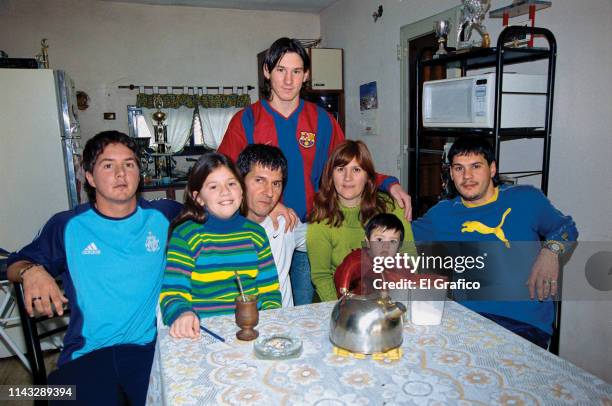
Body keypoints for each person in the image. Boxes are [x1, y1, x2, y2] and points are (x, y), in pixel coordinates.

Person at [218, 37, 412, 305]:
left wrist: (389, 183)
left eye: (296, 71)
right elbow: (225, 175)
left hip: (314, 224)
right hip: (271, 225)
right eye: (280, 70)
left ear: (306, 75)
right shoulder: (247, 119)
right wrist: (270, 205)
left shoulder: (322, 119)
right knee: (271, 298)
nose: (288, 80)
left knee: (309, 301)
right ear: (267, 72)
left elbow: (348, 168)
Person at [6, 131, 181, 405]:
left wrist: (268, 209)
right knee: (50, 395)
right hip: (85, 355)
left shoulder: (165, 215)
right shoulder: (66, 225)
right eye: (108, 165)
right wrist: (31, 271)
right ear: (90, 177)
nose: (121, 174)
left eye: (129, 164)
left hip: (150, 351)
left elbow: (217, 211)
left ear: (140, 174)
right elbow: (12, 263)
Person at [411, 136, 578, 348]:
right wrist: (386, 185)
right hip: (468, 319)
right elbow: (395, 233)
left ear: (492, 169)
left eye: (476, 166)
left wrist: (551, 252)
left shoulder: (526, 199)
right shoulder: (441, 214)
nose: (467, 176)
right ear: (451, 173)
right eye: (459, 168)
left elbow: (566, 228)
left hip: (524, 323)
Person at [159, 152, 282, 339]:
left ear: (241, 190)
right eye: (213, 186)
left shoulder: (255, 234)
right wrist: (182, 314)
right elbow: (173, 293)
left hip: (254, 332)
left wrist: (270, 322)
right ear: (198, 198)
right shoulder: (185, 235)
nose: (225, 192)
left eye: (231, 184)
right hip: (204, 334)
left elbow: (270, 292)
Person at [307, 140, 417, 302]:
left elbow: (409, 258)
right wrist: (340, 308)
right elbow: (321, 277)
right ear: (330, 175)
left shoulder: (392, 207)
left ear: (368, 177)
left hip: (388, 295)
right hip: (335, 298)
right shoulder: (320, 219)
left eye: (356, 170)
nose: (347, 178)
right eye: (340, 169)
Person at [236, 144, 307, 307]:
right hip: (239, 326)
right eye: (259, 180)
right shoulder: (221, 230)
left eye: (276, 184)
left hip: (282, 325)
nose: (269, 192)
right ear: (240, 181)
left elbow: (324, 236)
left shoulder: (286, 223)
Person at [334, 212, 409, 297]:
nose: (386, 245)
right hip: (359, 304)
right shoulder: (357, 259)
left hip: (388, 303)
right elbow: (341, 279)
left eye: (392, 241)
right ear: (368, 241)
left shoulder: (402, 263)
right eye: (379, 239)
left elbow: (408, 283)